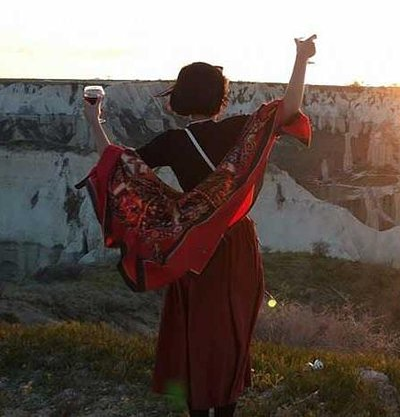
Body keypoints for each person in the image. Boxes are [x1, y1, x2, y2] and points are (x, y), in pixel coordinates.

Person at [81, 35, 317, 416]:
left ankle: (196, 407)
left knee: (195, 328)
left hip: (191, 245)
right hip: (236, 242)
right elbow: (290, 108)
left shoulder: (173, 142)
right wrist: (301, 57)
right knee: (231, 328)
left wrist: (95, 121)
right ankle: (226, 405)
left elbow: (119, 169)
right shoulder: (243, 129)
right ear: (220, 98)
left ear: (180, 99)